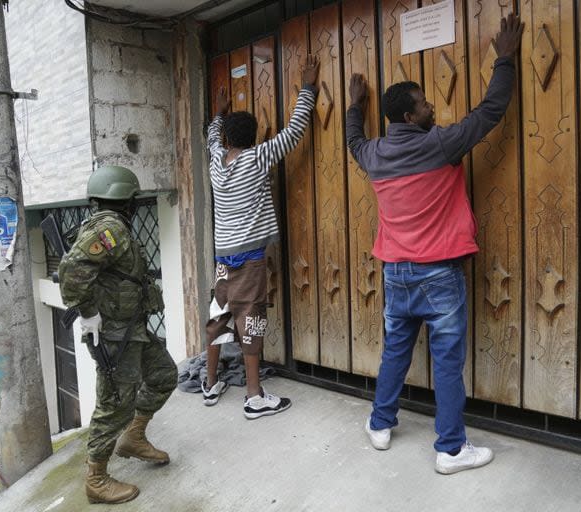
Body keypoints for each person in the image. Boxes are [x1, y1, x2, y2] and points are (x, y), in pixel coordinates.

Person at [345, 14, 524, 474]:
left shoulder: (375, 155)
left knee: (395, 351)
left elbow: (353, 140)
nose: (431, 110)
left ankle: (380, 424)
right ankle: (449, 450)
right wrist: (504, 58)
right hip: (438, 274)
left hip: (396, 273)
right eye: (424, 106)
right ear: (409, 117)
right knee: (446, 360)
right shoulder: (440, 145)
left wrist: (353, 104)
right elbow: (490, 111)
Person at [201, 55, 320, 418]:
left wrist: (217, 114)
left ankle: (210, 383)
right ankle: (254, 397)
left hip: (224, 258)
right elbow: (295, 129)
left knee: (220, 314)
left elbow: (210, 139)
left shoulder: (216, 161)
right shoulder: (258, 158)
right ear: (254, 138)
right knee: (251, 319)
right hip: (250, 259)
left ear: (227, 138)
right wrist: (309, 88)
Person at [58, 165, 177, 503]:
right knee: (114, 406)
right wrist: (89, 312)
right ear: (127, 200)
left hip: (131, 330)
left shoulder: (107, 226)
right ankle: (95, 479)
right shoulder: (112, 229)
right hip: (115, 336)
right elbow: (71, 271)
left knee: (163, 375)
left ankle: (134, 438)